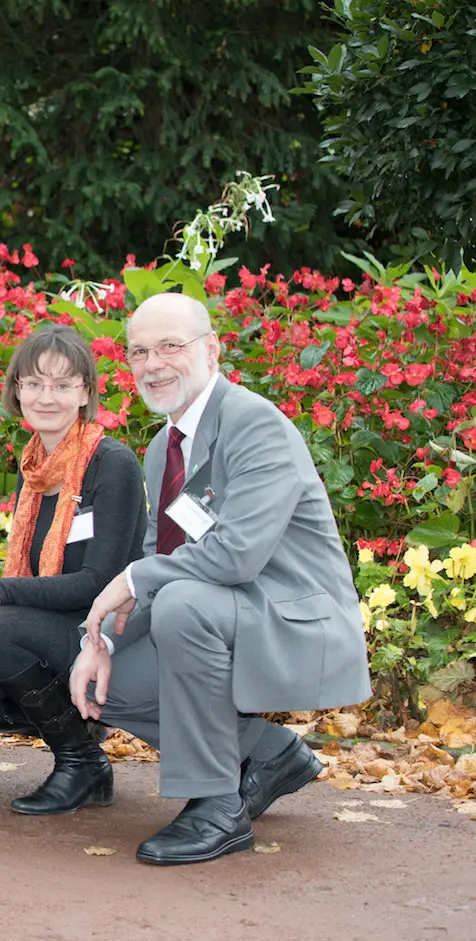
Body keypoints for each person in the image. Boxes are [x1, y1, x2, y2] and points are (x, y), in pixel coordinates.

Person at [71, 293, 368, 865]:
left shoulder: (255, 423)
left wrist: (131, 579)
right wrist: (98, 641)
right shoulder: (162, 448)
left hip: (290, 619)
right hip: (226, 610)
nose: (153, 364)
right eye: (139, 352)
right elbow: (161, 556)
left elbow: (235, 557)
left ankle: (217, 806)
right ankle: (269, 753)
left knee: (181, 604)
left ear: (211, 350)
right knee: (99, 679)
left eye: (170, 346)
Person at [0, 324, 146, 815]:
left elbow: (99, 583)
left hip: (108, 632)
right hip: (50, 629)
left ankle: (77, 760)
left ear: (85, 393)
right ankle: (86, 752)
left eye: (63, 384)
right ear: (17, 390)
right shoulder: (35, 469)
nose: (47, 397)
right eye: (35, 383)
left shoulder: (112, 464)